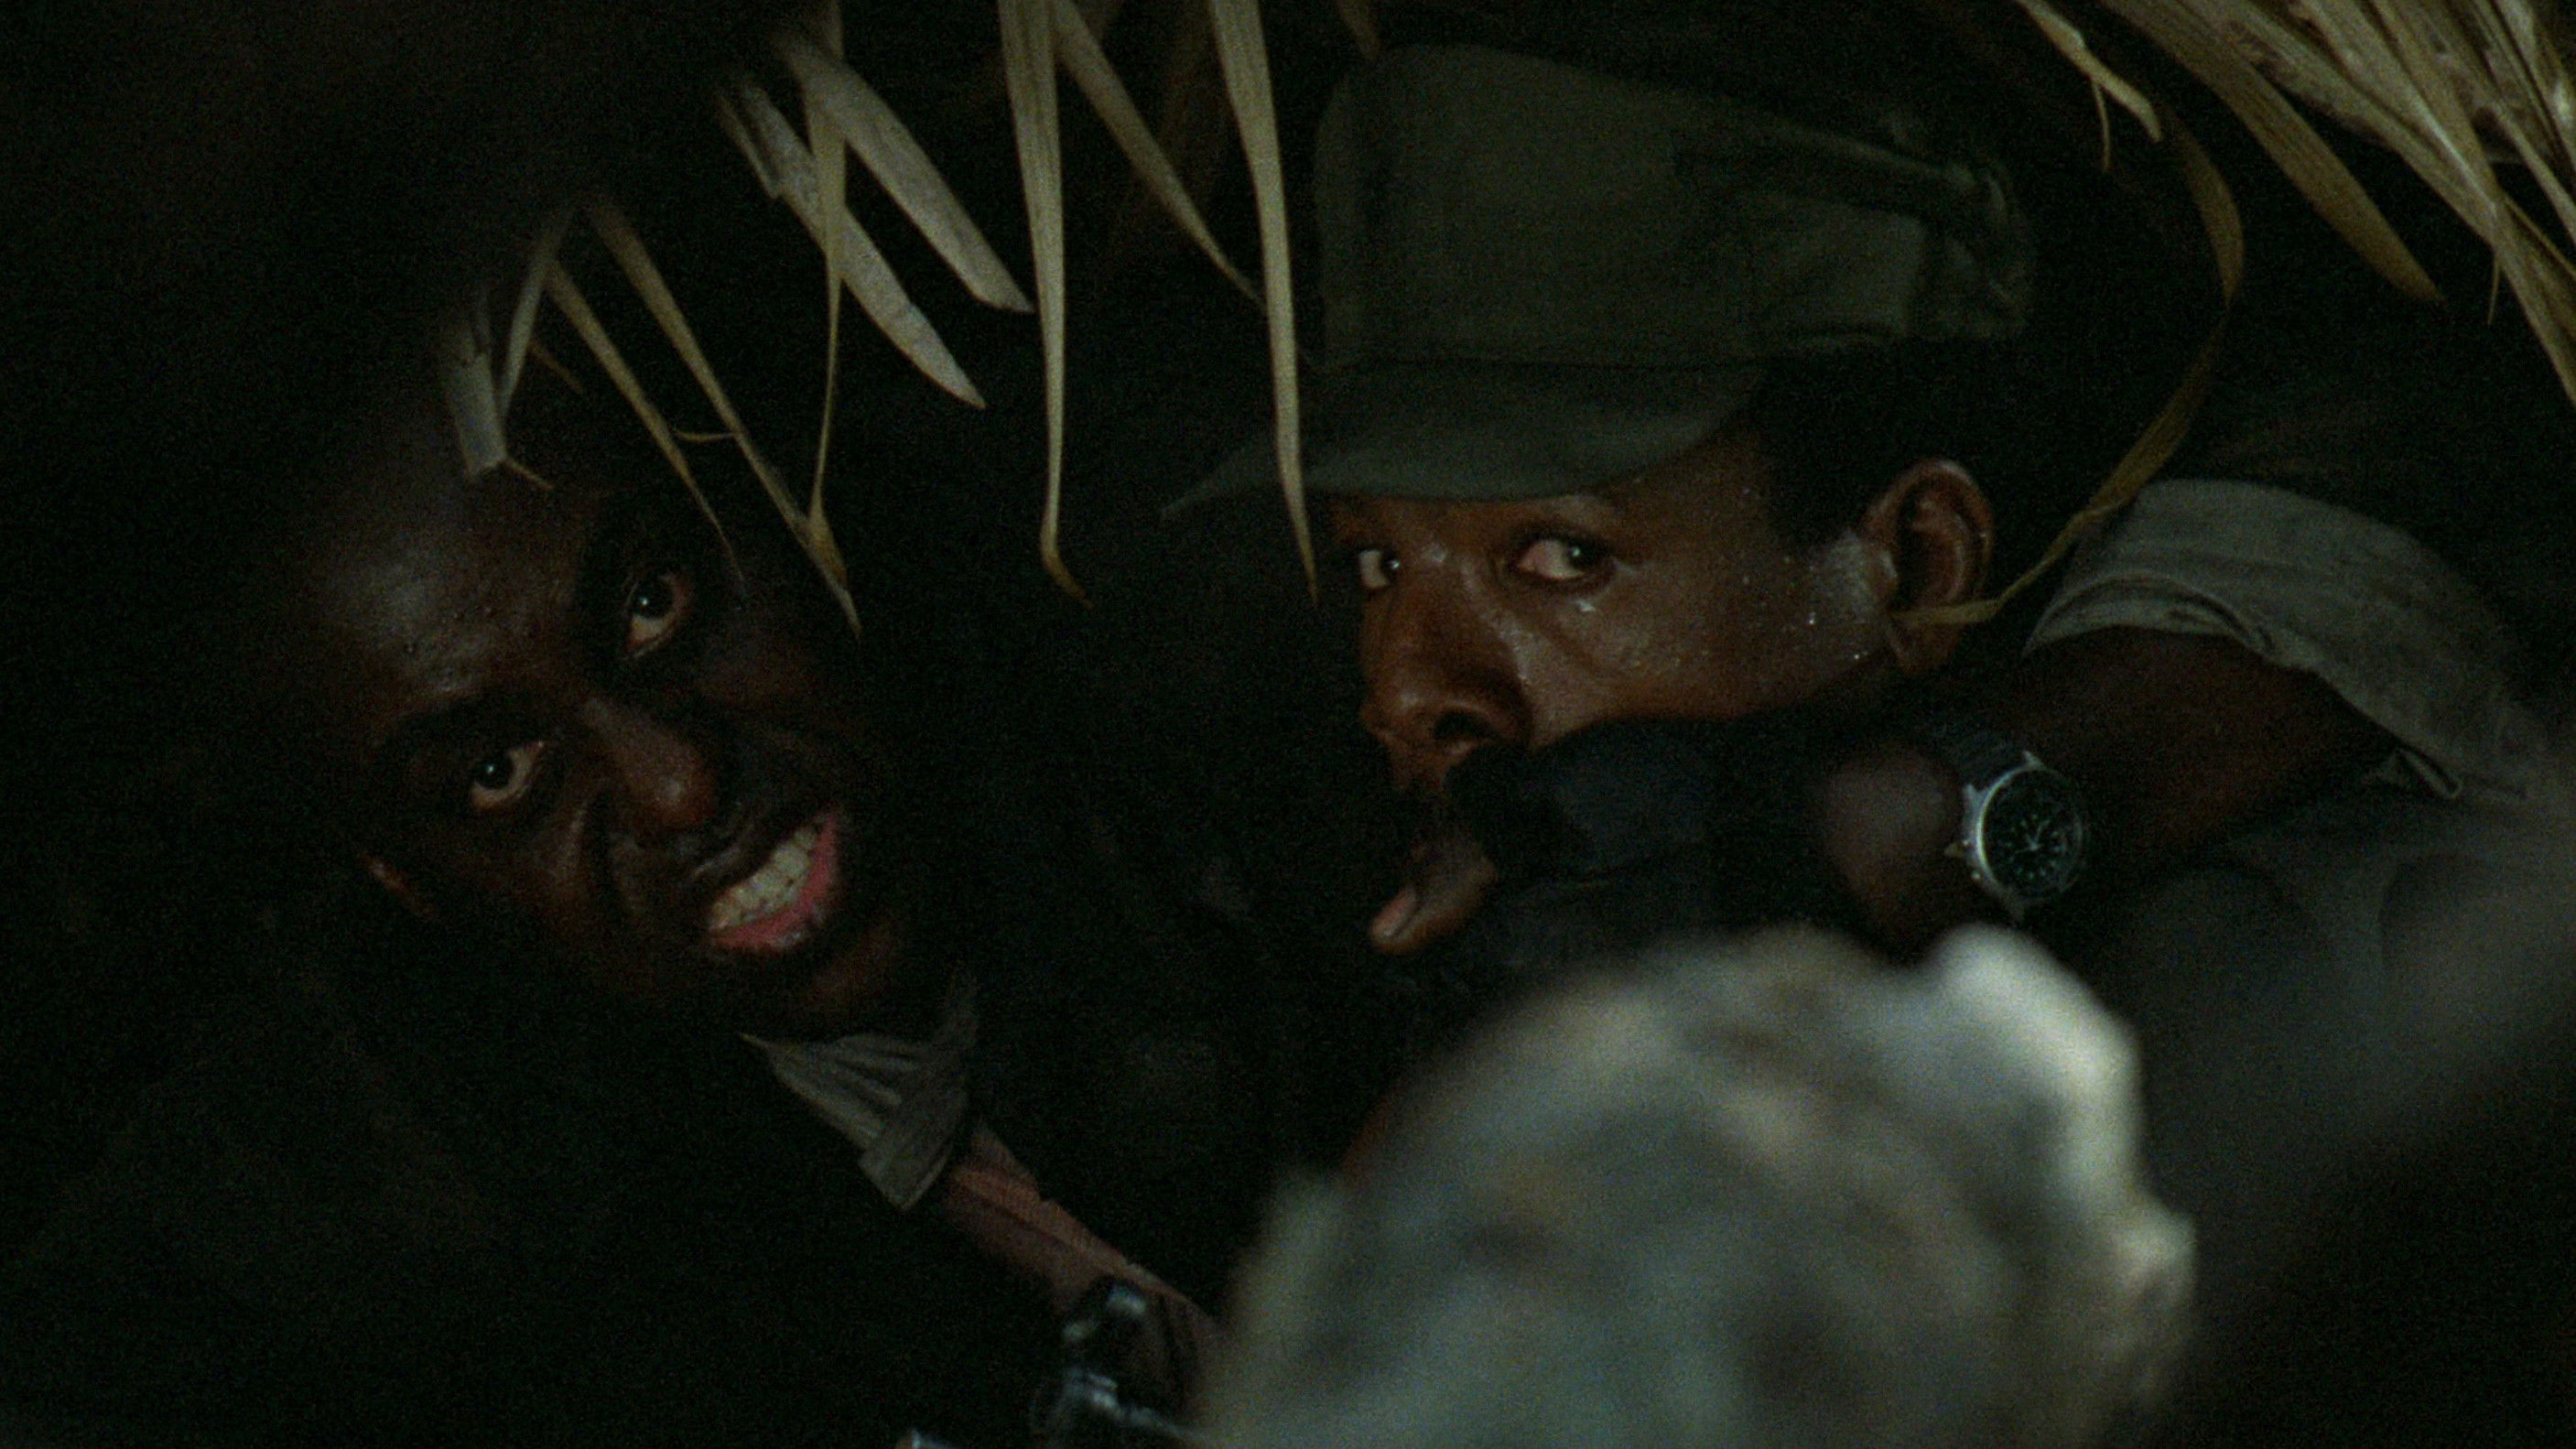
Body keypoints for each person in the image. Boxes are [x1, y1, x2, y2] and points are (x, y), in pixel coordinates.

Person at [1185, 17, 2576, 1364]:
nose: (1411, 686)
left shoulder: (2260, 1007)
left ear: (1914, 560)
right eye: (1377, 565)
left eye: (1560, 559)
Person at [0, 366, 1228, 1447]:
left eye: (653, 601)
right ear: (401, 879)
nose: (679, 787)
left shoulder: (1173, 647)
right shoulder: (427, 1110)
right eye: (498, 775)